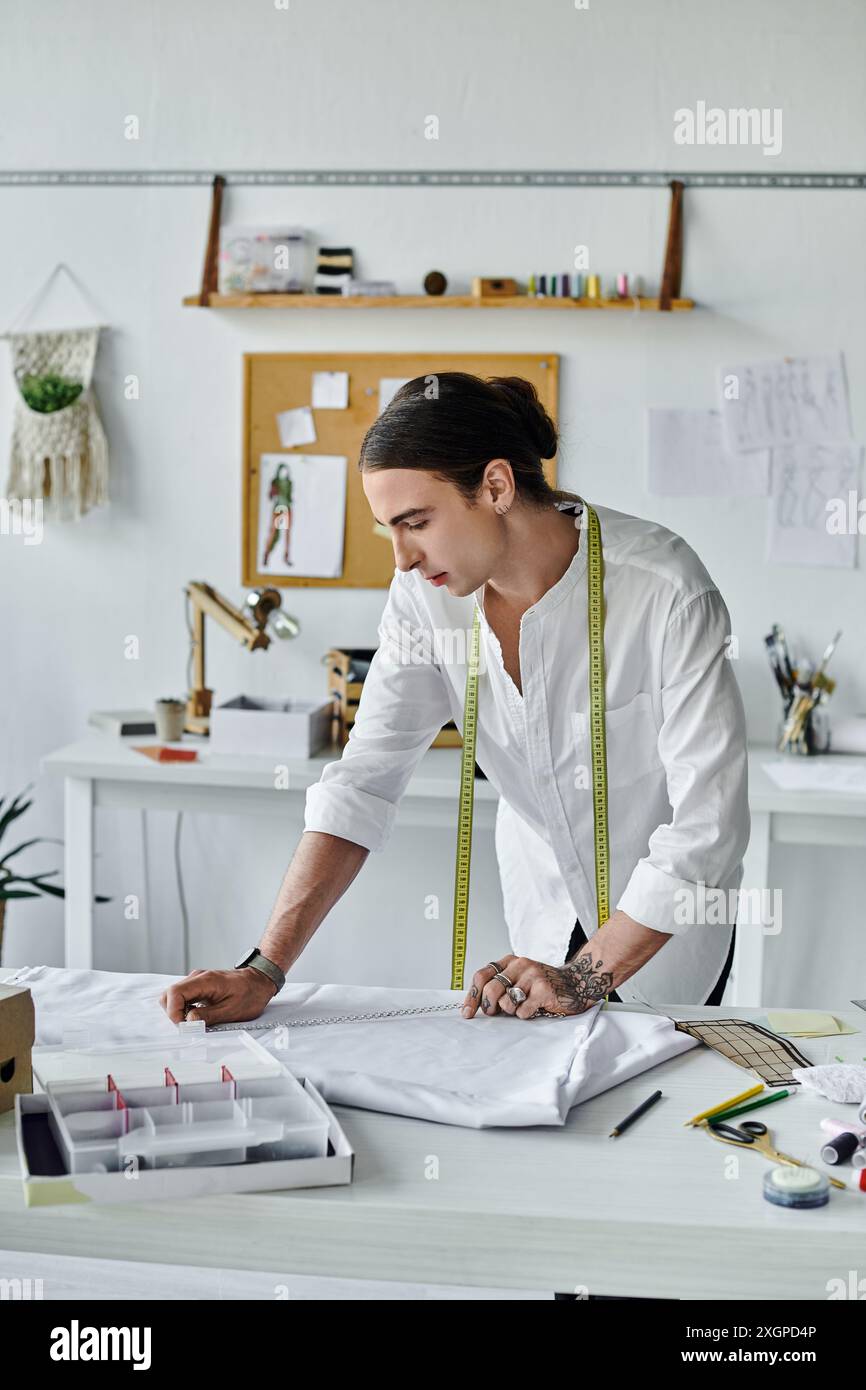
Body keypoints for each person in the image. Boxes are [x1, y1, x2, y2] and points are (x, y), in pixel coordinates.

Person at [160, 372, 750, 1029]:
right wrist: (263, 969)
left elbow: (710, 827)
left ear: (495, 486)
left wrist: (589, 974)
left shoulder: (665, 590)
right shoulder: (424, 599)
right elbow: (363, 782)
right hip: (542, 919)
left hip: (665, 935)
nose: (402, 559)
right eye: (389, 528)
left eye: (415, 523)